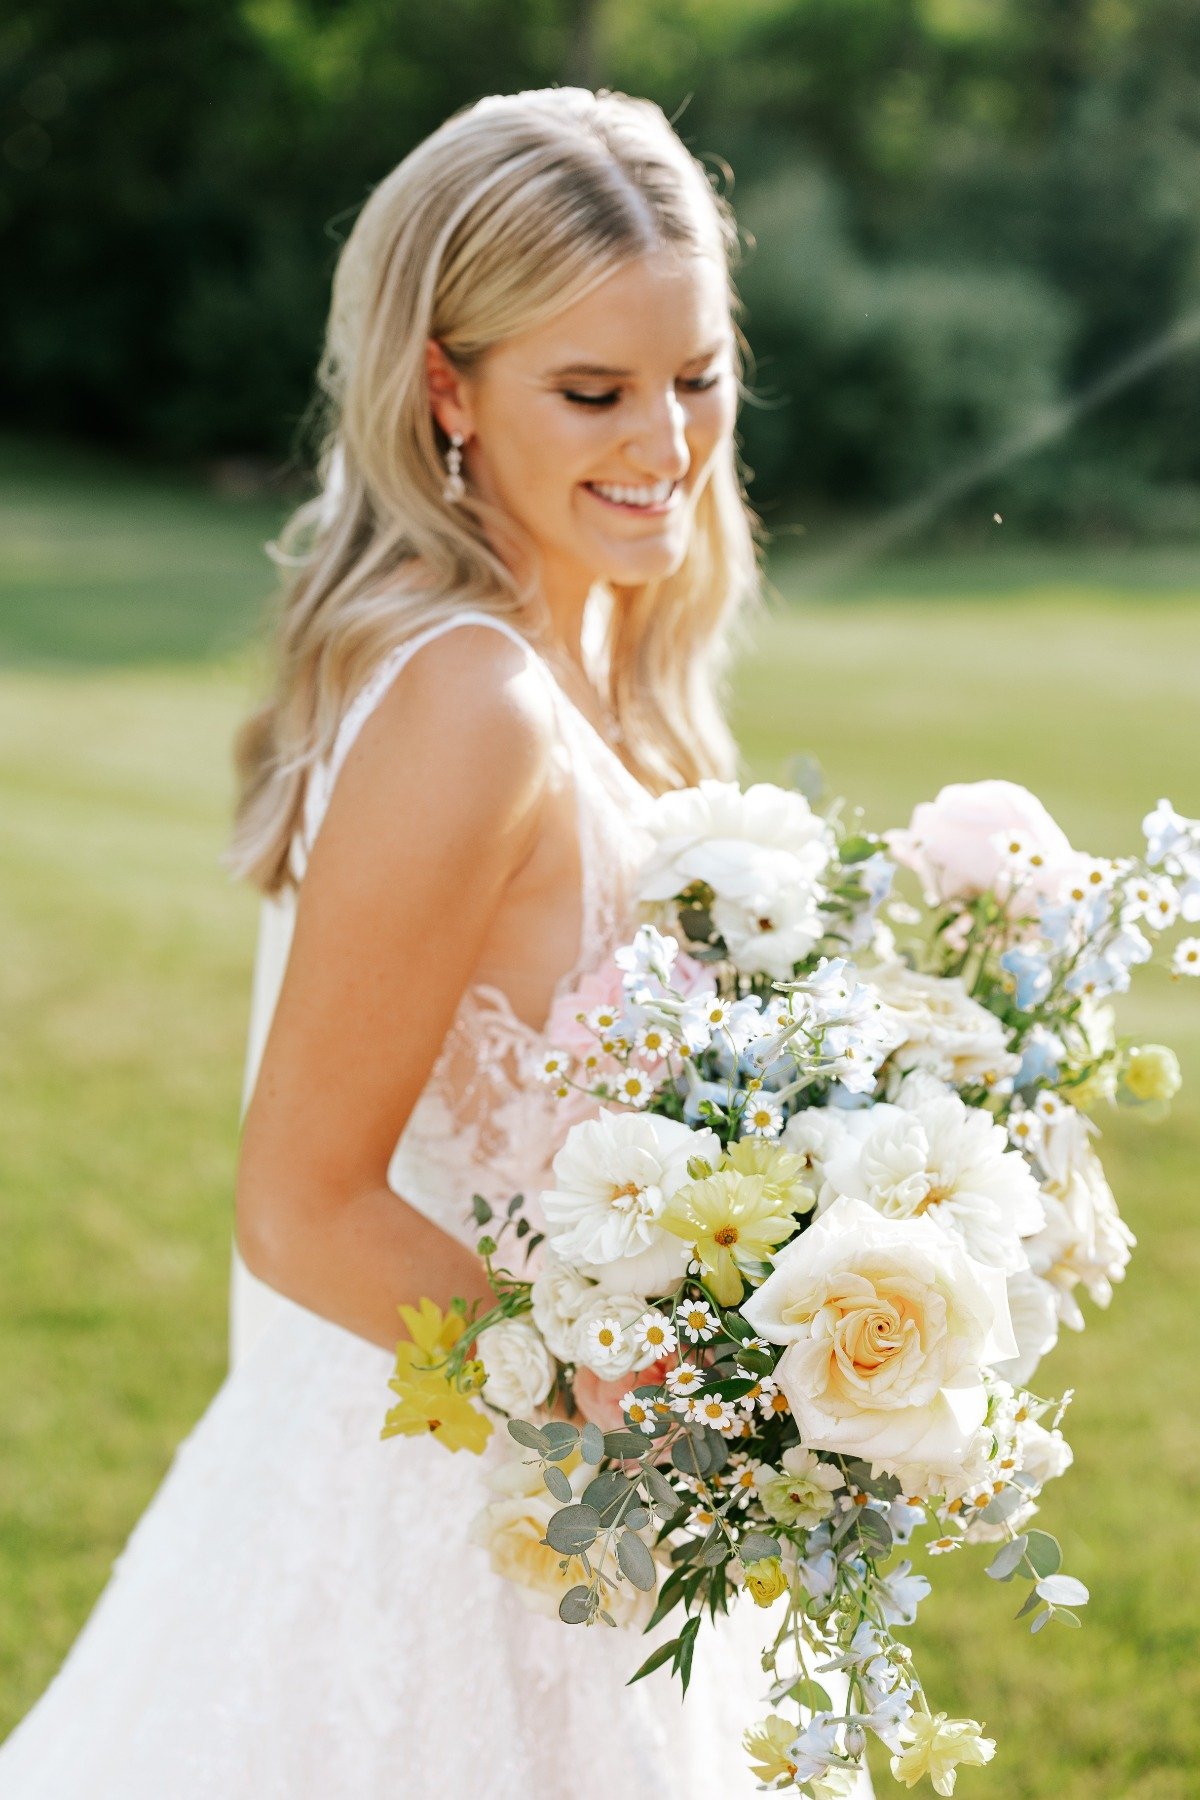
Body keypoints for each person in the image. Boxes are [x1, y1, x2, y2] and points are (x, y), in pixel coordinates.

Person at [0, 88, 873, 1797]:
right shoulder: (470, 696)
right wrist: (628, 1408)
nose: (669, 442)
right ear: (446, 389)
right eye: (595, 391)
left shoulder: (591, 666)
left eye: (698, 376)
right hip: (458, 1532)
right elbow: (301, 1203)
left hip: (576, 1518)